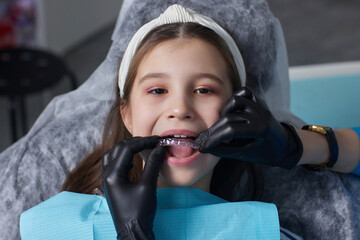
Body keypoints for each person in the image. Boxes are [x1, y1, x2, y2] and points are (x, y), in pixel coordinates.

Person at [19, 4, 360, 240]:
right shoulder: (55, 226)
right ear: (127, 114)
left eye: (203, 89)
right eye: (157, 90)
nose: (179, 108)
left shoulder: (262, 230)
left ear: (237, 113)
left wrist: (296, 146)